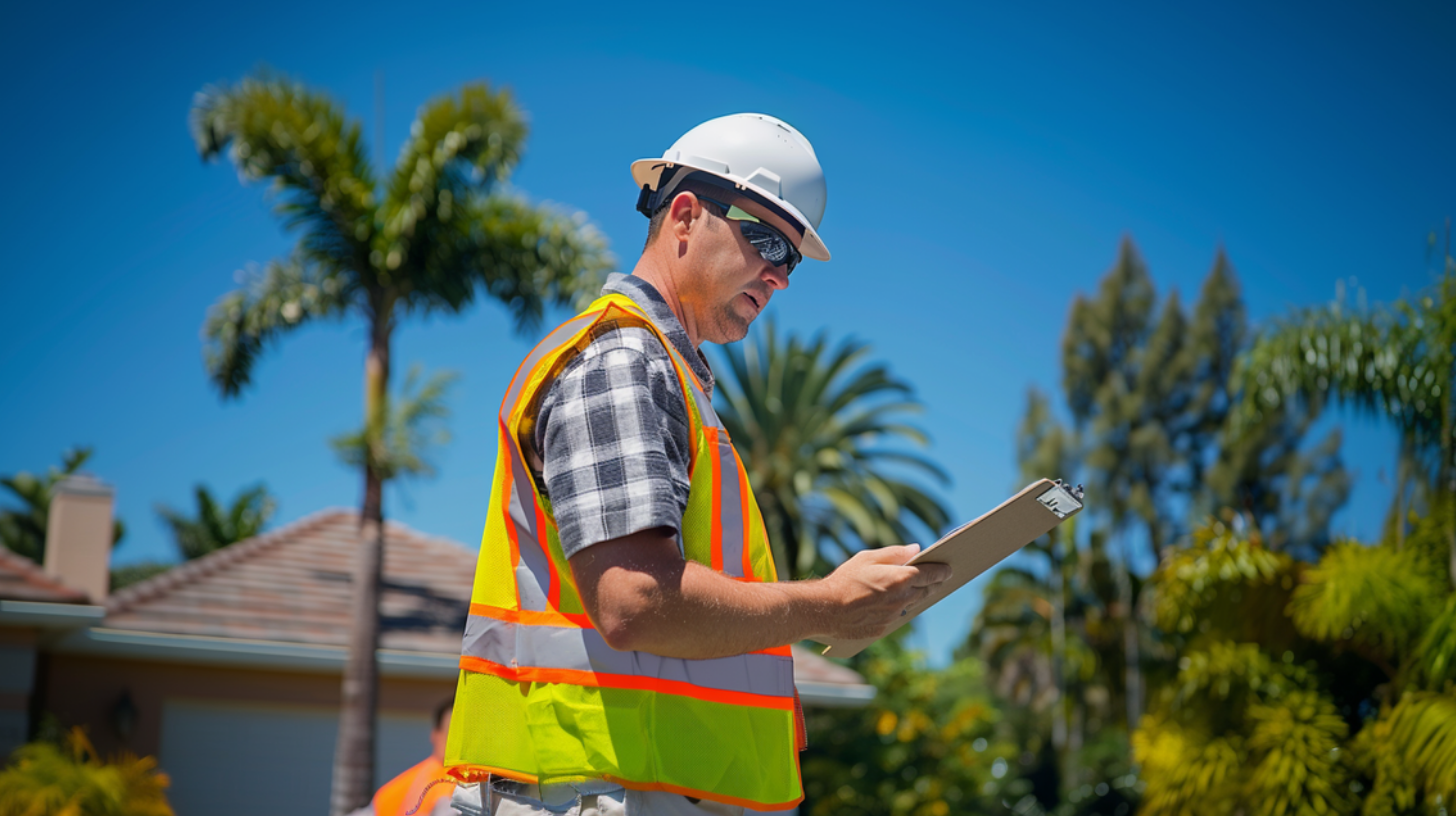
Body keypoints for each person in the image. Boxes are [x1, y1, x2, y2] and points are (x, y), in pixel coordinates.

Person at [444, 113, 952, 816]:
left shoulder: (673, 380)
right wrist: (829, 606)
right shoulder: (622, 358)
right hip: (600, 789)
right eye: (767, 239)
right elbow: (636, 602)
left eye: (792, 257)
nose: (778, 275)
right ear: (685, 214)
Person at [368, 696, 456, 816]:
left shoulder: (474, 781)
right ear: (435, 735)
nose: (458, 742)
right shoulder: (399, 788)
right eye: (452, 734)